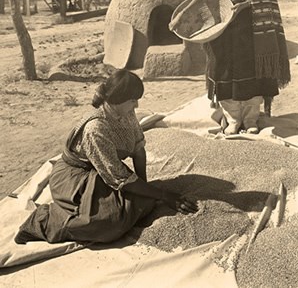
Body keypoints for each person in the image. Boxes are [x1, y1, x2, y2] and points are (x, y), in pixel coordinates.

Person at [15, 69, 198, 245]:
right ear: (118, 99)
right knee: (110, 223)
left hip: (104, 170)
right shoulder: (96, 128)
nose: (137, 106)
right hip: (75, 178)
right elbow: (119, 176)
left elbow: (138, 151)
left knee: (143, 200)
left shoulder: (126, 113)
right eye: (133, 100)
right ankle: (44, 220)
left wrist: (145, 186)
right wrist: (164, 195)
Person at [169, 0, 290, 135]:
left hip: (251, 28)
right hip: (222, 30)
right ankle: (233, 119)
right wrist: (180, 16)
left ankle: (251, 118)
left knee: (252, 72)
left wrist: (244, 6)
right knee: (223, 71)